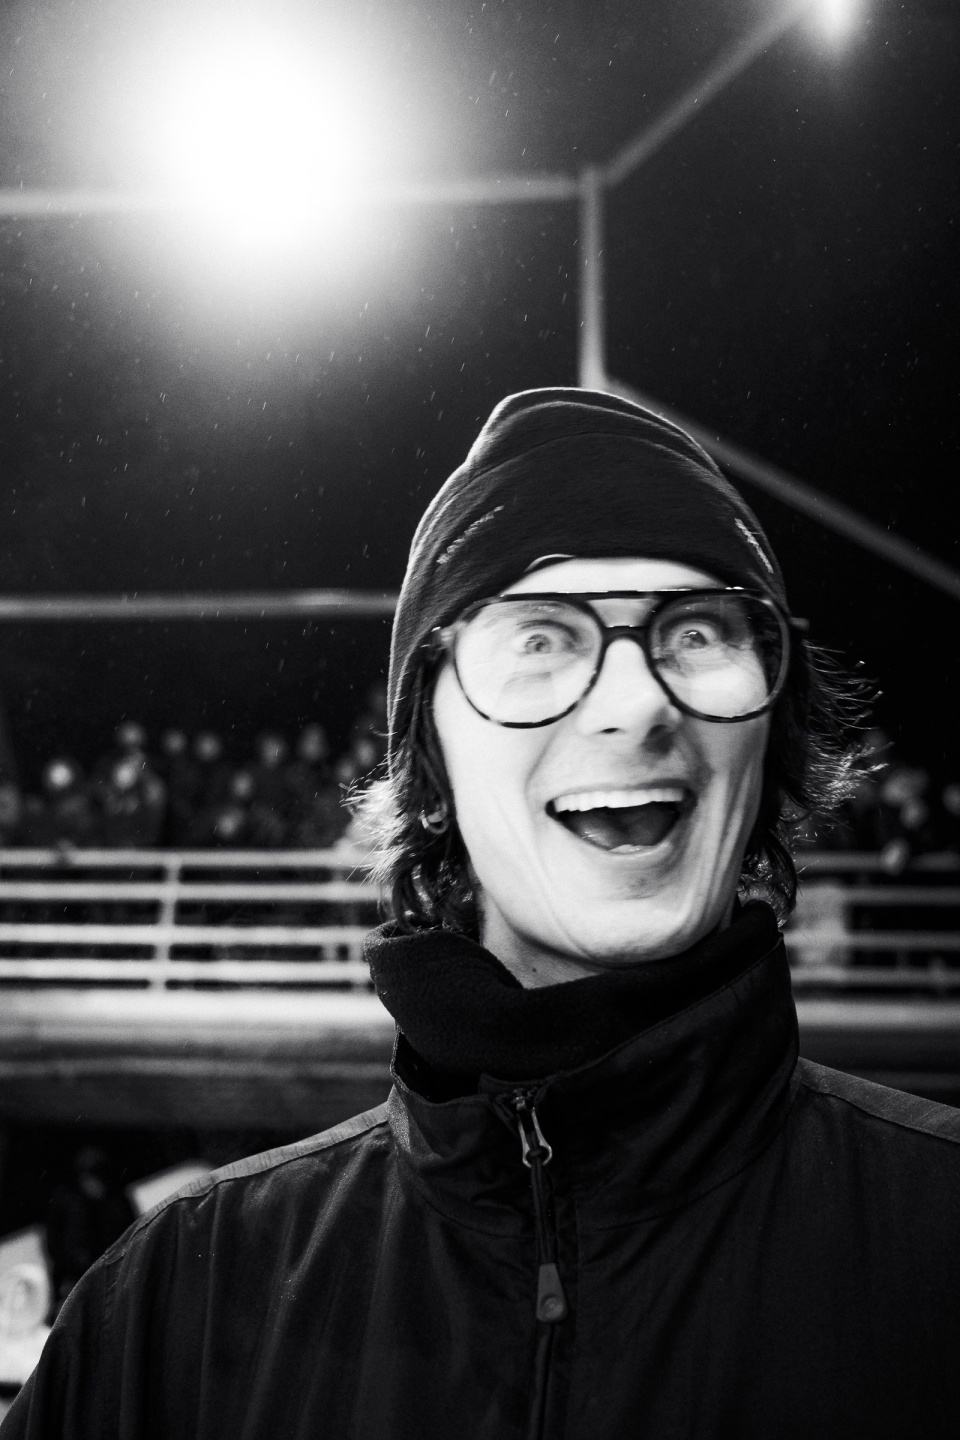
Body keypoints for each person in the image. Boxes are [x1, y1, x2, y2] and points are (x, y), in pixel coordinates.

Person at [6, 389, 960, 1439]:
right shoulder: (176, 1308)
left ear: (772, 730)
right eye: (541, 638)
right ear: (431, 757)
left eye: (698, 632)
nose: (637, 703)